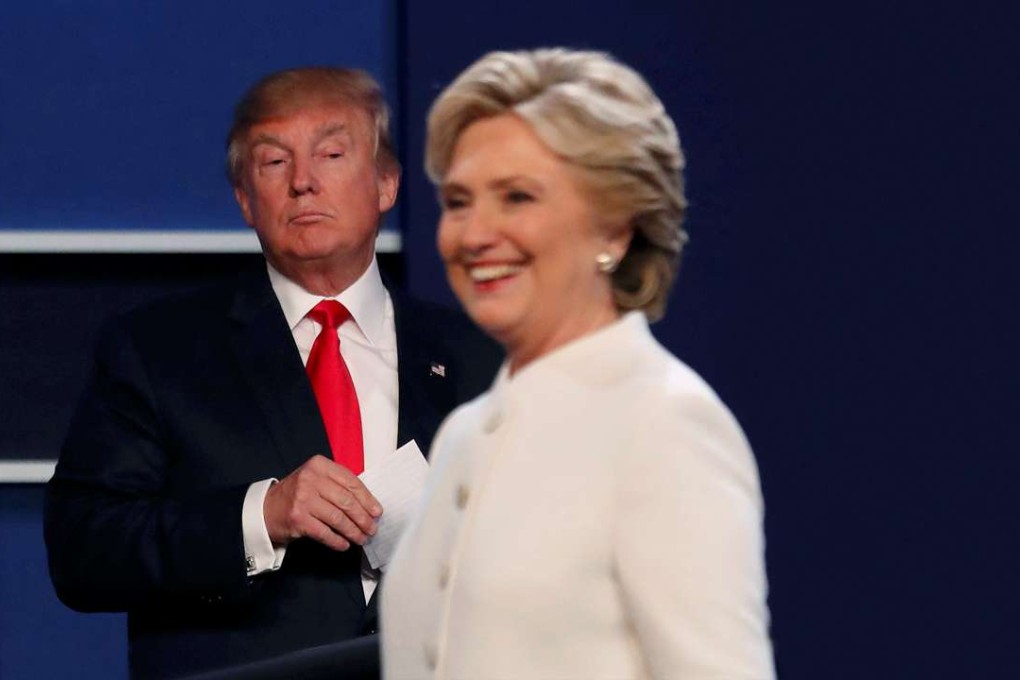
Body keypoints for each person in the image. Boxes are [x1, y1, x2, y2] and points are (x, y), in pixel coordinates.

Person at [44, 66, 501, 679]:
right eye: (273, 162)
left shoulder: (482, 356)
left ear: (387, 183)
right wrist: (262, 514)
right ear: (244, 199)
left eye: (332, 153)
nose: (304, 183)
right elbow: (83, 551)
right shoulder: (155, 350)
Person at [381, 48, 776, 679]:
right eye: (458, 202)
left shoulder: (663, 424)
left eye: (516, 197)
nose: (475, 234)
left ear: (614, 230)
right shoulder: (462, 435)